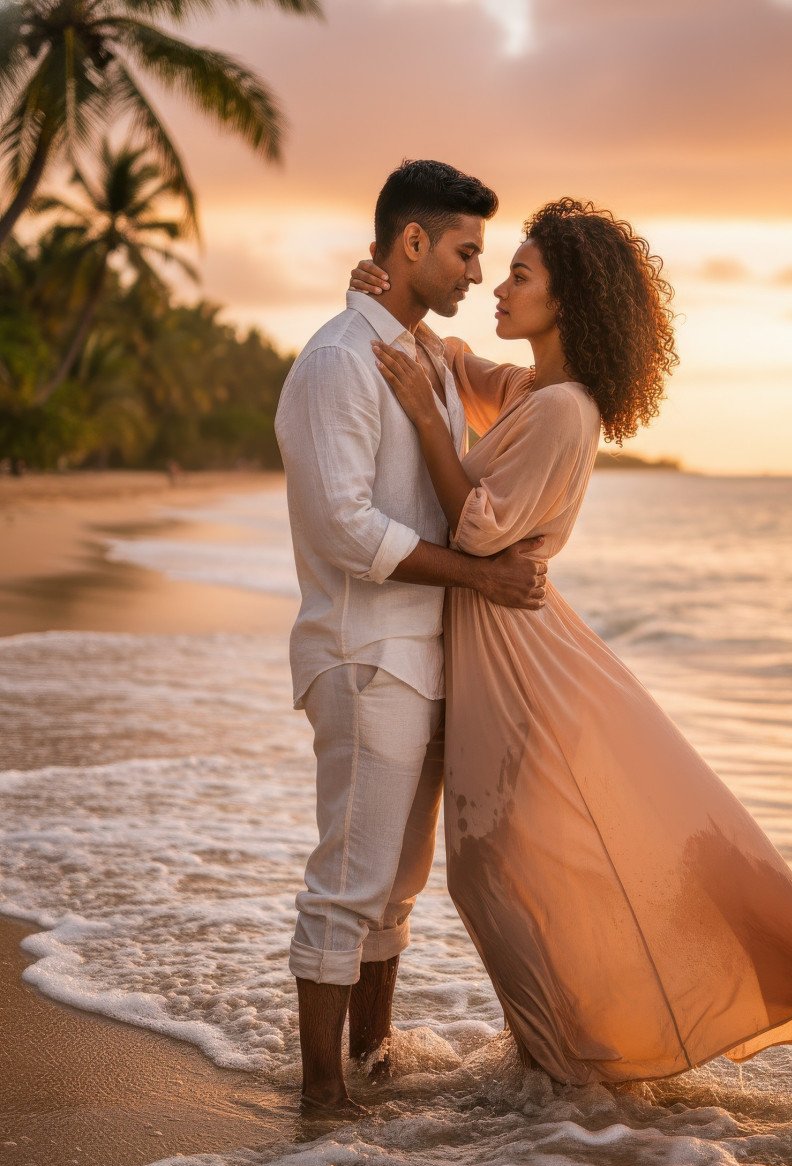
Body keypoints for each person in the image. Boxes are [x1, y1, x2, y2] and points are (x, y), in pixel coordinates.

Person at [348, 198, 792, 1085]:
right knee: (493, 868)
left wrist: (433, 428)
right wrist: (385, 296)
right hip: (496, 641)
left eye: (520, 274)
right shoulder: (532, 392)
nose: (497, 288)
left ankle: (582, 1083)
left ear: (568, 300)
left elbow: (477, 530)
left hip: (519, 659)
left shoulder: (566, 411)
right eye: (499, 269)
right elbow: (457, 359)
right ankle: (567, 1082)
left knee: (497, 864)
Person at [275, 159, 550, 1114]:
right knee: (349, 884)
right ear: (413, 243)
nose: (479, 272)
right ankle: (321, 1098)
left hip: (424, 656)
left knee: (394, 891)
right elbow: (344, 526)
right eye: (468, 250)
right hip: (363, 655)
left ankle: (370, 1063)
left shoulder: (422, 357)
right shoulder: (339, 361)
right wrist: (480, 576)